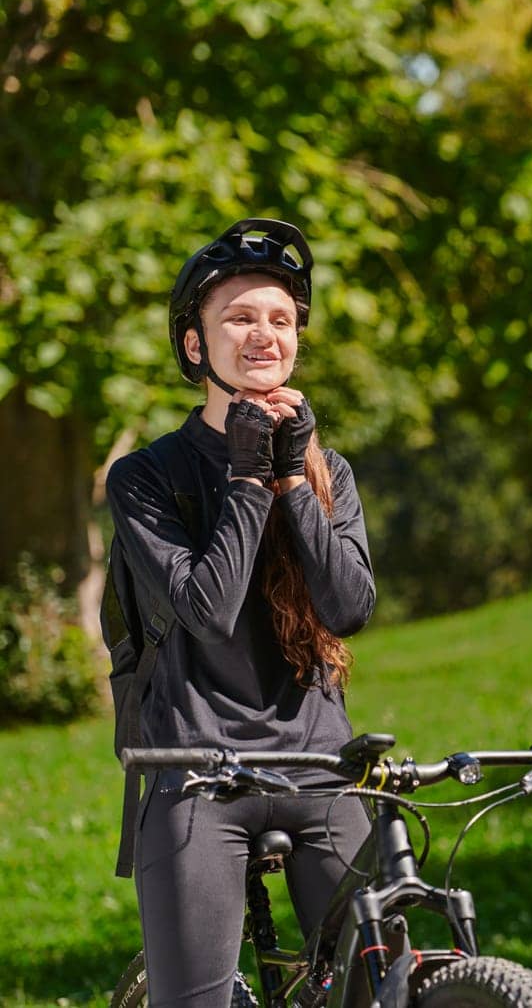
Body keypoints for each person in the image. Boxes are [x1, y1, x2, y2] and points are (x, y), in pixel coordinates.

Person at [106, 219, 376, 1008]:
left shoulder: (329, 470)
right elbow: (206, 608)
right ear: (196, 346)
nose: (266, 335)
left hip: (316, 762)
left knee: (377, 987)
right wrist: (250, 480)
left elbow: (351, 608)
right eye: (240, 318)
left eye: (282, 319)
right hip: (194, 772)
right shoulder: (144, 478)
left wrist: (295, 484)